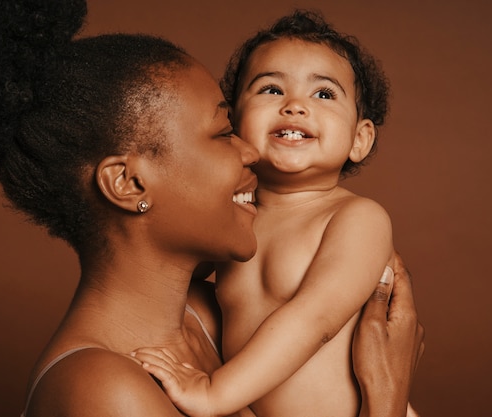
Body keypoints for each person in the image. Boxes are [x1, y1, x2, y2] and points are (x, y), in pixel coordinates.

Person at [0, 1, 424, 416]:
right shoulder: (106, 392)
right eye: (225, 132)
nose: (251, 151)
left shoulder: (208, 320)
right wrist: (386, 398)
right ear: (129, 182)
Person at [132, 10, 421, 417]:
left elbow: (314, 318)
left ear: (360, 139)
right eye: (270, 89)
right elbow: (170, 269)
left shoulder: (357, 219)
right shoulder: (235, 216)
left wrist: (214, 393)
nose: (295, 106)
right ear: (232, 122)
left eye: (324, 94)